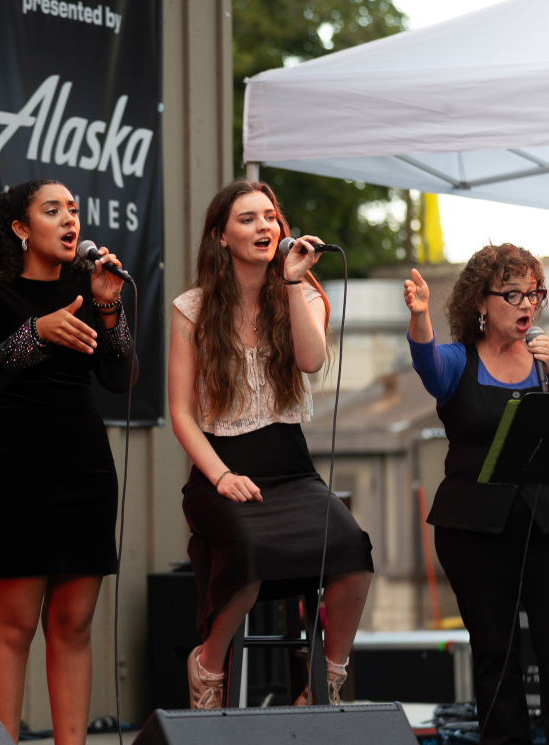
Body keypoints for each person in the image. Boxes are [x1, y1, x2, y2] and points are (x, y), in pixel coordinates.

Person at [170, 179, 373, 710]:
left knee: (354, 551)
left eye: (270, 217)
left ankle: (325, 679)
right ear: (220, 236)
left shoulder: (303, 296)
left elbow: (310, 361)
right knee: (250, 553)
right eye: (247, 218)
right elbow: (181, 415)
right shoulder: (191, 309)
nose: (265, 227)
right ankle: (208, 666)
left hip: (292, 469)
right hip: (221, 470)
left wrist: (289, 283)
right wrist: (220, 476)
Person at [0, 179, 136, 744]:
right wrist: (35, 333)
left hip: (85, 469)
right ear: (20, 227)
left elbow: (120, 377)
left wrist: (109, 308)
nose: (69, 220)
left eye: (74, 211)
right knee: (11, 627)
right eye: (52, 210)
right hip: (18, 471)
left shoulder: (89, 283)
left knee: (74, 625)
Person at [404, 243, 549, 744]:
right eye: (514, 294)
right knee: (496, 652)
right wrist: (420, 317)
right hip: (475, 529)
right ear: (481, 303)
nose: (527, 305)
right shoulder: (458, 361)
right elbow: (425, 360)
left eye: (534, 294)